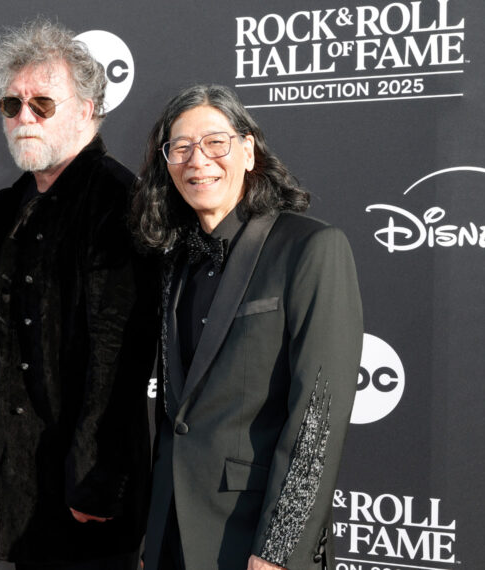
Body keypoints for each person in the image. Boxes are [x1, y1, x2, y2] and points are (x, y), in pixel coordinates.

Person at [130, 83, 363, 570]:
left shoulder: (310, 248)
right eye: (180, 147)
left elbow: (317, 415)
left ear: (248, 150)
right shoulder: (175, 261)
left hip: (251, 537)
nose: (198, 160)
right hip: (171, 534)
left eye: (215, 142)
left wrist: (278, 551)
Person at [0, 19, 156, 569]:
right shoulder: (3, 209)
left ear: (87, 110)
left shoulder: (119, 199)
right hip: (21, 481)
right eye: (12, 105)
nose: (24, 117)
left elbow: (119, 352)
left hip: (90, 492)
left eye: (43, 104)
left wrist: (98, 476)